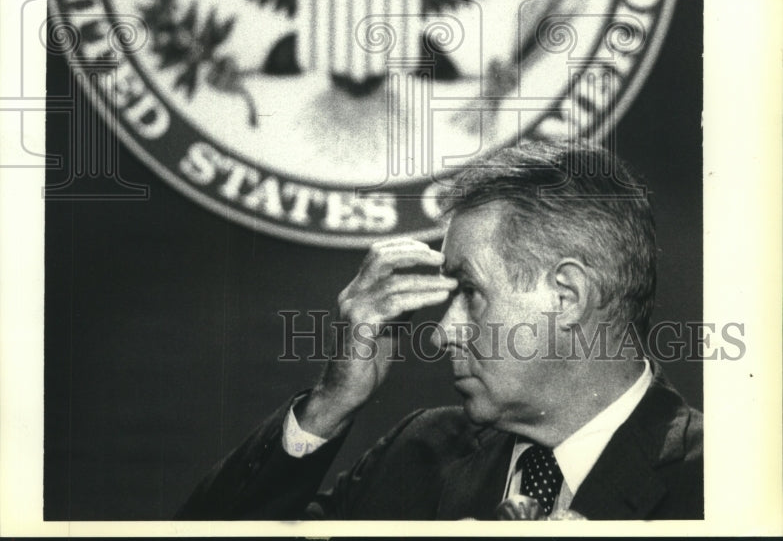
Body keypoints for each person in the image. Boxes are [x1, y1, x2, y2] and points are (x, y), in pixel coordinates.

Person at [178, 141, 703, 521]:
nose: (440, 334)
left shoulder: (718, 482)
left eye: (470, 292)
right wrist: (329, 405)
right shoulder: (417, 456)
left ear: (567, 296)